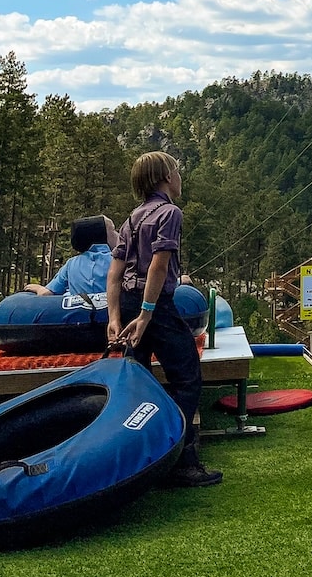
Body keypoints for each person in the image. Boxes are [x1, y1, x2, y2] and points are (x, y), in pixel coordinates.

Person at [107, 151, 221, 488]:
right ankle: (182, 461)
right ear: (165, 177)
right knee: (187, 378)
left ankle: (139, 462)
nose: (180, 177)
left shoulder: (131, 219)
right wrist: (147, 313)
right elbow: (159, 265)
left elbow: (114, 273)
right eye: (177, 170)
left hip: (127, 304)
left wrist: (115, 317)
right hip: (154, 306)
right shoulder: (169, 213)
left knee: (137, 384)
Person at [26, 215, 115, 298]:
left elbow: (46, 293)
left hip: (80, 313)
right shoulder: (118, 261)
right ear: (103, 236)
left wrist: (39, 288)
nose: (118, 234)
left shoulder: (71, 264)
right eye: (113, 230)